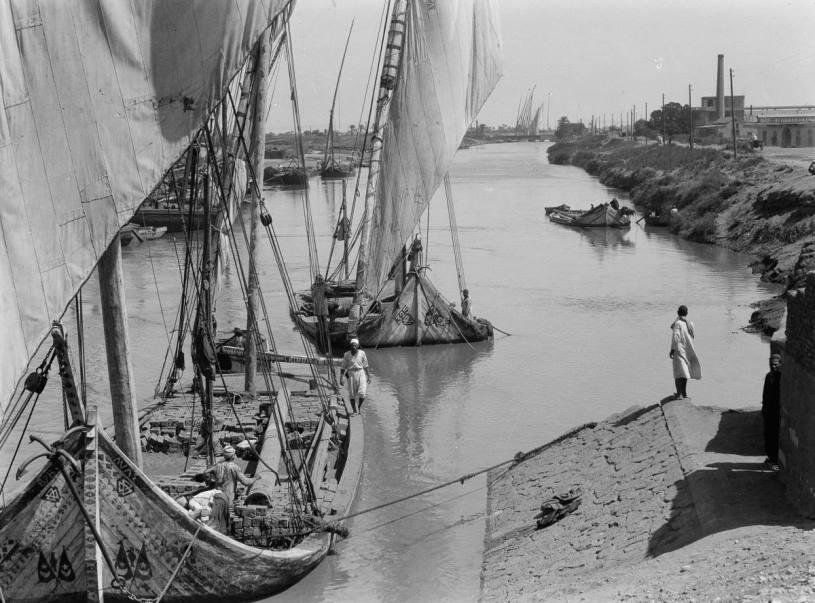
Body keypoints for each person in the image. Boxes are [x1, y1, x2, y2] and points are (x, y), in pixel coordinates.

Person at [206, 444, 258, 508]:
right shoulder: (234, 468)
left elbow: (206, 473)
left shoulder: (218, 466)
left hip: (217, 498)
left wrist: (213, 479)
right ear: (233, 456)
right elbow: (246, 482)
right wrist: (255, 478)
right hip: (228, 500)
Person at [669, 305, 701, 399]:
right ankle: (684, 393)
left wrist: (672, 349)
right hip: (687, 350)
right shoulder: (689, 323)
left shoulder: (678, 323)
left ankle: (679, 394)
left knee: (678, 373)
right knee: (684, 372)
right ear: (686, 313)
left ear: (678, 312)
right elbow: (692, 336)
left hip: (679, 350)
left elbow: (676, 338)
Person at [339, 338, 371, 414]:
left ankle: (359, 406)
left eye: (355, 345)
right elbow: (343, 367)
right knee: (352, 394)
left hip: (361, 373)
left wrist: (369, 376)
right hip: (351, 374)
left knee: (362, 393)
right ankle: (354, 410)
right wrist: (341, 378)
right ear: (350, 346)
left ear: (358, 346)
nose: (354, 347)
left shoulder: (362, 353)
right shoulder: (346, 354)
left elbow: (366, 365)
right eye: (352, 345)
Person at [761, 353, 782, 467]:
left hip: (777, 412)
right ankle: (770, 456)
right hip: (768, 411)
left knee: (776, 435)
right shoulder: (768, 376)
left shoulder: (781, 378)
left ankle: (776, 458)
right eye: (771, 365)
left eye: (775, 365)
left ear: (780, 364)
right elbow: (765, 394)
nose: (773, 367)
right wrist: (764, 408)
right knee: (768, 434)